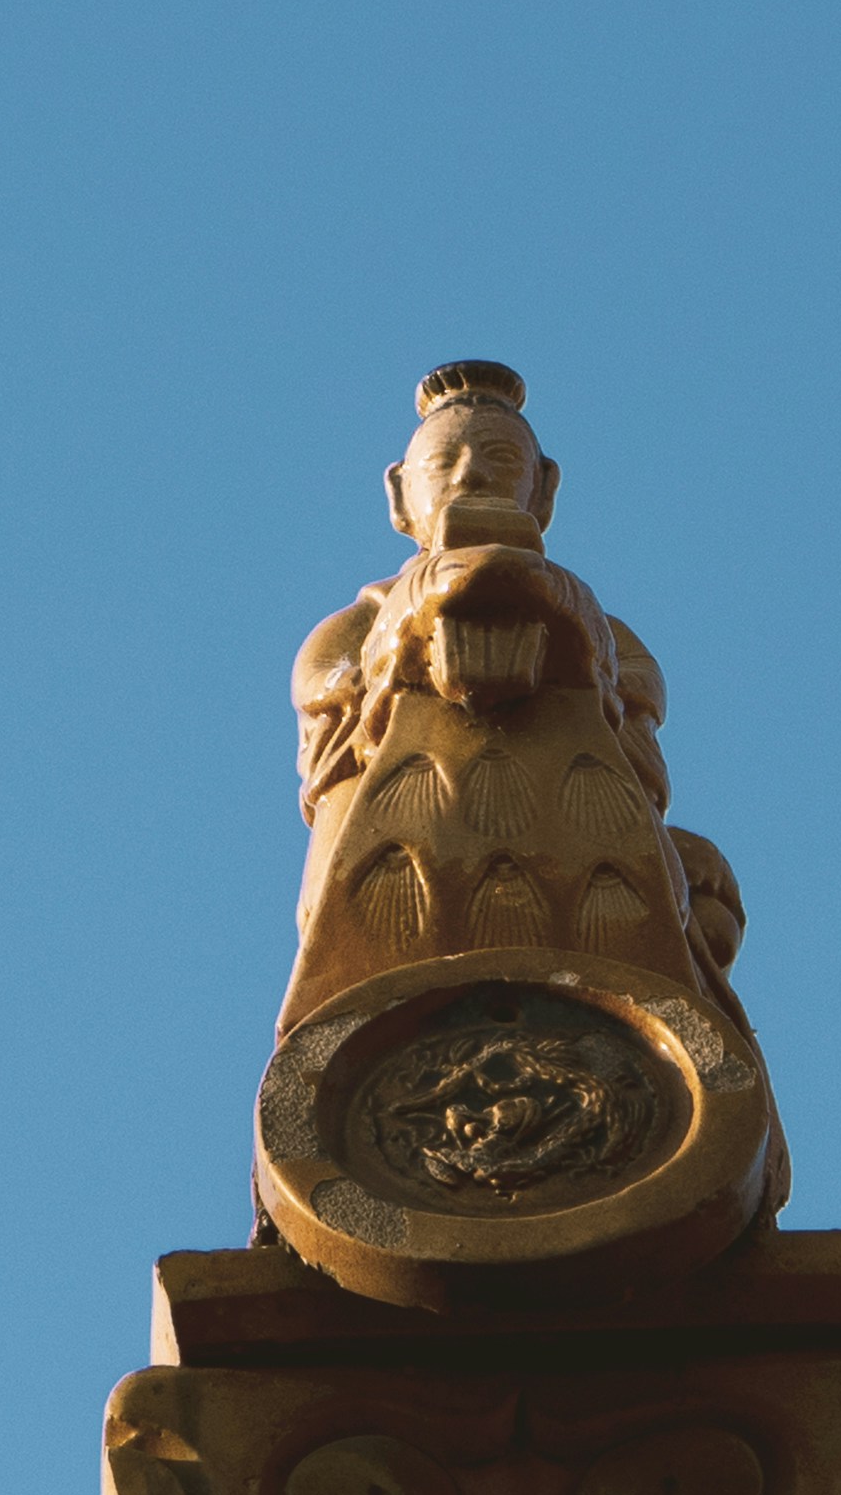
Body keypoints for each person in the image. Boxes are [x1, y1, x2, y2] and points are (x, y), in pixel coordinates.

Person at [278, 363, 739, 1027]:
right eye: (444, 463)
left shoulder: (591, 620)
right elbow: (329, 691)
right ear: (400, 496)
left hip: (571, 809)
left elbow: (636, 698)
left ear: (543, 490)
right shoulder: (362, 621)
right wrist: (401, 647)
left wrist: (575, 648)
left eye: (498, 458)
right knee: (351, 873)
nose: (470, 476)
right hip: (404, 804)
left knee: (694, 879)